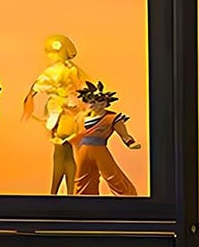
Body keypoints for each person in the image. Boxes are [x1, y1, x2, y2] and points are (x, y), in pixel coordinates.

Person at [23, 33, 87, 195]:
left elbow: (36, 88)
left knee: (60, 153)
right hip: (69, 113)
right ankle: (69, 191)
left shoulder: (55, 71)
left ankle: (56, 191)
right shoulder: (72, 70)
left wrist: (29, 101)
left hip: (61, 114)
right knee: (67, 154)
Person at [73, 80, 141, 197]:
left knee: (112, 176)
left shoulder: (112, 118)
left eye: (98, 102)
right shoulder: (82, 117)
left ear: (105, 103)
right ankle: (85, 198)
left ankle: (127, 196)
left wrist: (130, 143)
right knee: (82, 178)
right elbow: (78, 134)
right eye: (91, 102)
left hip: (100, 150)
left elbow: (124, 135)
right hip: (83, 150)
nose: (94, 105)